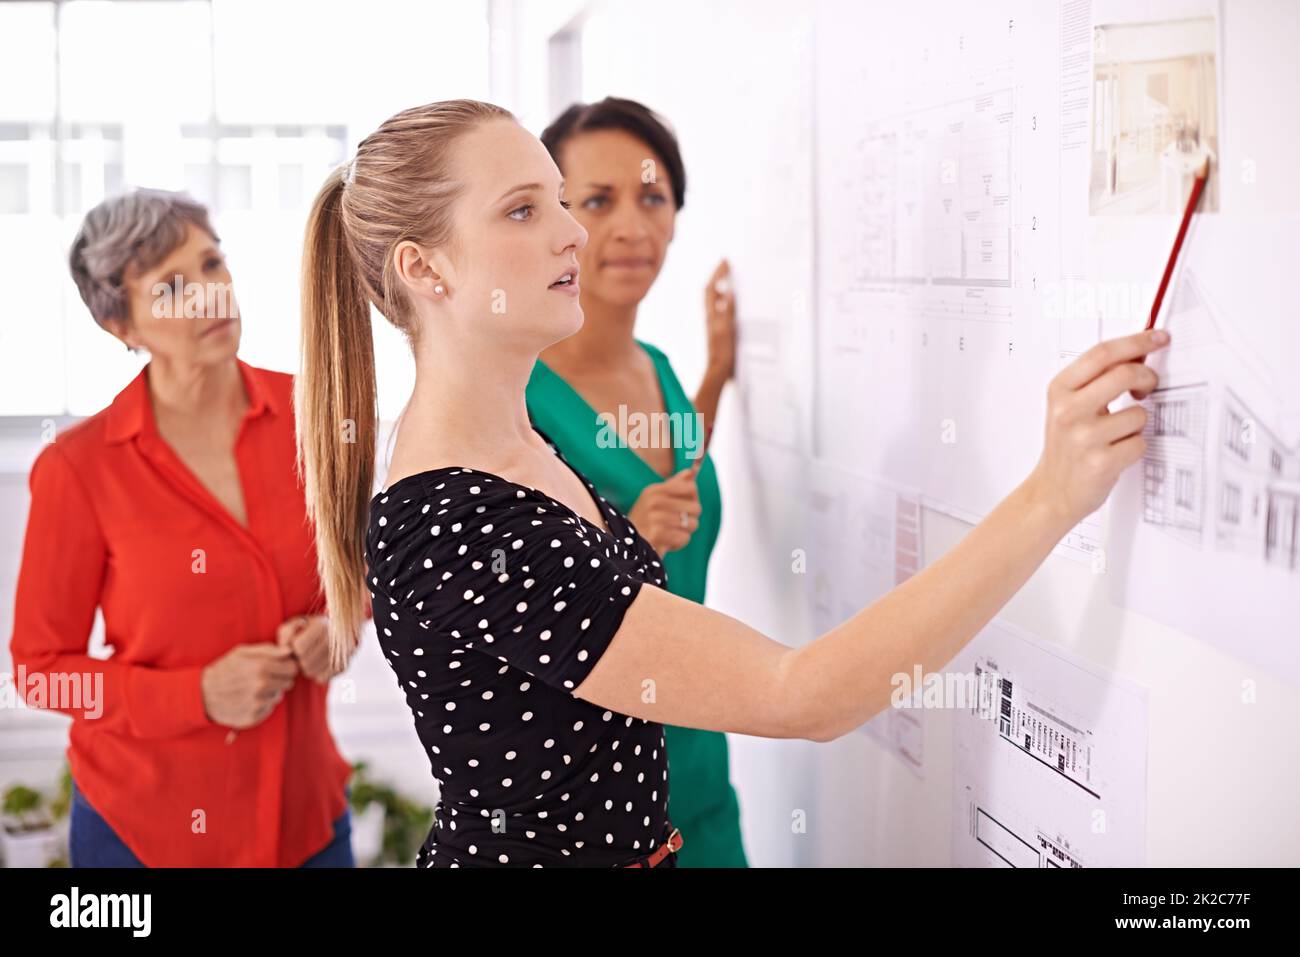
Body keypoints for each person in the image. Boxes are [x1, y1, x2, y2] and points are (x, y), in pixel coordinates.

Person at [295, 99, 1168, 868]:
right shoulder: (464, 524)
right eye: (525, 210)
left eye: (560, 200)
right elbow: (806, 694)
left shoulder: (516, 445)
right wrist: (1051, 496)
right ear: (424, 269)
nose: (574, 232)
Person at [10, 189, 354, 867]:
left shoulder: (314, 415)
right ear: (123, 326)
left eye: (211, 263)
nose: (208, 294)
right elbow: (40, 672)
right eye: (169, 287)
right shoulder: (78, 468)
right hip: (142, 833)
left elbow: (358, 572)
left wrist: (338, 629)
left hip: (304, 816)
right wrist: (193, 694)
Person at [524, 96, 746, 867]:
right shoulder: (519, 400)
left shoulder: (656, 367)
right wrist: (618, 545)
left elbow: (674, 473)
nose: (631, 226)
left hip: (701, 771)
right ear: (551, 220)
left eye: (653, 197)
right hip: (593, 802)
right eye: (597, 201)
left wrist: (715, 372)